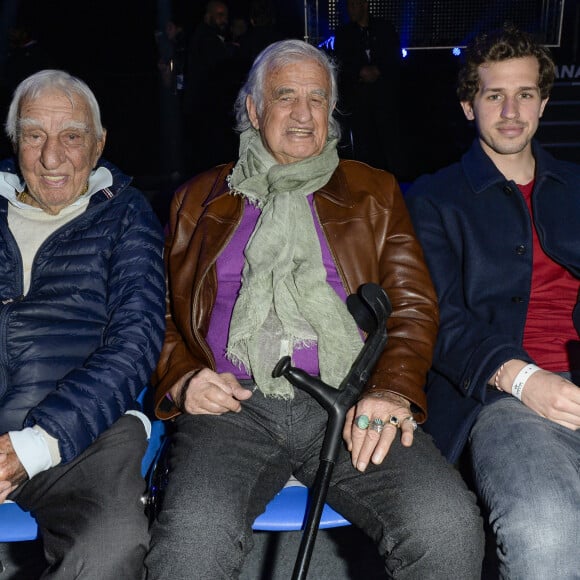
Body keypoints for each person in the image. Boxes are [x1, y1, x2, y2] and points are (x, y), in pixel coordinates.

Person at [146, 39, 484, 579]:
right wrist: (184, 378)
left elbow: (413, 306)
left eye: (318, 99)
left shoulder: (375, 191)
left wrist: (391, 388)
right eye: (285, 96)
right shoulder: (198, 199)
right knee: (190, 546)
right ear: (254, 109)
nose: (304, 114)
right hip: (232, 406)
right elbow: (158, 312)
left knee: (446, 525)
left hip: (350, 401)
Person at [405, 26, 580, 579]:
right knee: (546, 528)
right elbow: (433, 314)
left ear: (544, 102)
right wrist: (525, 379)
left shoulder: (577, 186)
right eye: (493, 95)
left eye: (525, 94)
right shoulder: (432, 198)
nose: (511, 111)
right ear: (467, 105)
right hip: (502, 397)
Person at [0, 69, 166, 578]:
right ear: (15, 141)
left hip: (82, 434)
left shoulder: (126, 215)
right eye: (34, 136)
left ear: (98, 146)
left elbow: (136, 342)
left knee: (110, 544)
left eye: (71, 137)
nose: (51, 158)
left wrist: (36, 443)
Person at [333, 0, 404, 176]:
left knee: (388, 143)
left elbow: (395, 58)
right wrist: (360, 71)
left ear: (363, 5)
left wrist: (378, 70)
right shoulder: (343, 34)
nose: (350, 10)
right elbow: (341, 64)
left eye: (353, 5)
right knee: (363, 145)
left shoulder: (384, 28)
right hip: (358, 101)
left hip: (384, 100)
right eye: (348, 6)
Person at [183, 0, 238, 174]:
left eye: (226, 16)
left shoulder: (214, 39)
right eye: (220, 15)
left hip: (207, 110)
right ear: (209, 16)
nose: (224, 20)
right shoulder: (206, 40)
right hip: (207, 110)